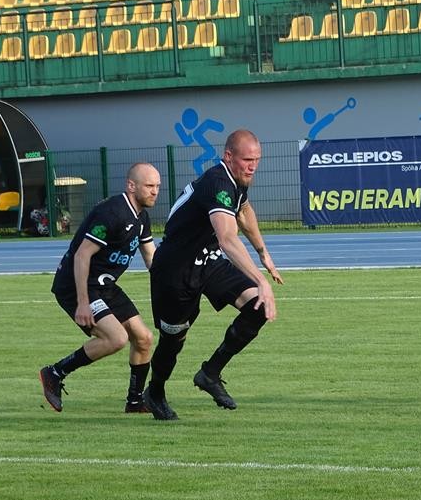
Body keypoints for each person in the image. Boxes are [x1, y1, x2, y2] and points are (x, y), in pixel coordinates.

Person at [143, 129, 283, 421]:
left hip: (208, 261)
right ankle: (154, 392)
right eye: (247, 160)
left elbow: (243, 211)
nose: (253, 166)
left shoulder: (237, 181)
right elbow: (227, 238)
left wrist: (263, 252)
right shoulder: (218, 182)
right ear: (228, 156)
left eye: (257, 160)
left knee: (257, 306)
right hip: (175, 271)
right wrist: (261, 279)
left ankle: (210, 373)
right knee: (173, 340)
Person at [40, 162, 161, 413]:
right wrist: (83, 302)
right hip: (76, 285)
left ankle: (135, 402)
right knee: (116, 338)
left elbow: (152, 257)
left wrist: (172, 287)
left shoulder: (141, 217)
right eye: (149, 186)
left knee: (144, 338)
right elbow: (82, 255)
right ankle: (54, 372)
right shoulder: (112, 213)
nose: (155, 191)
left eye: (157, 186)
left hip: (104, 284)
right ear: (131, 186)